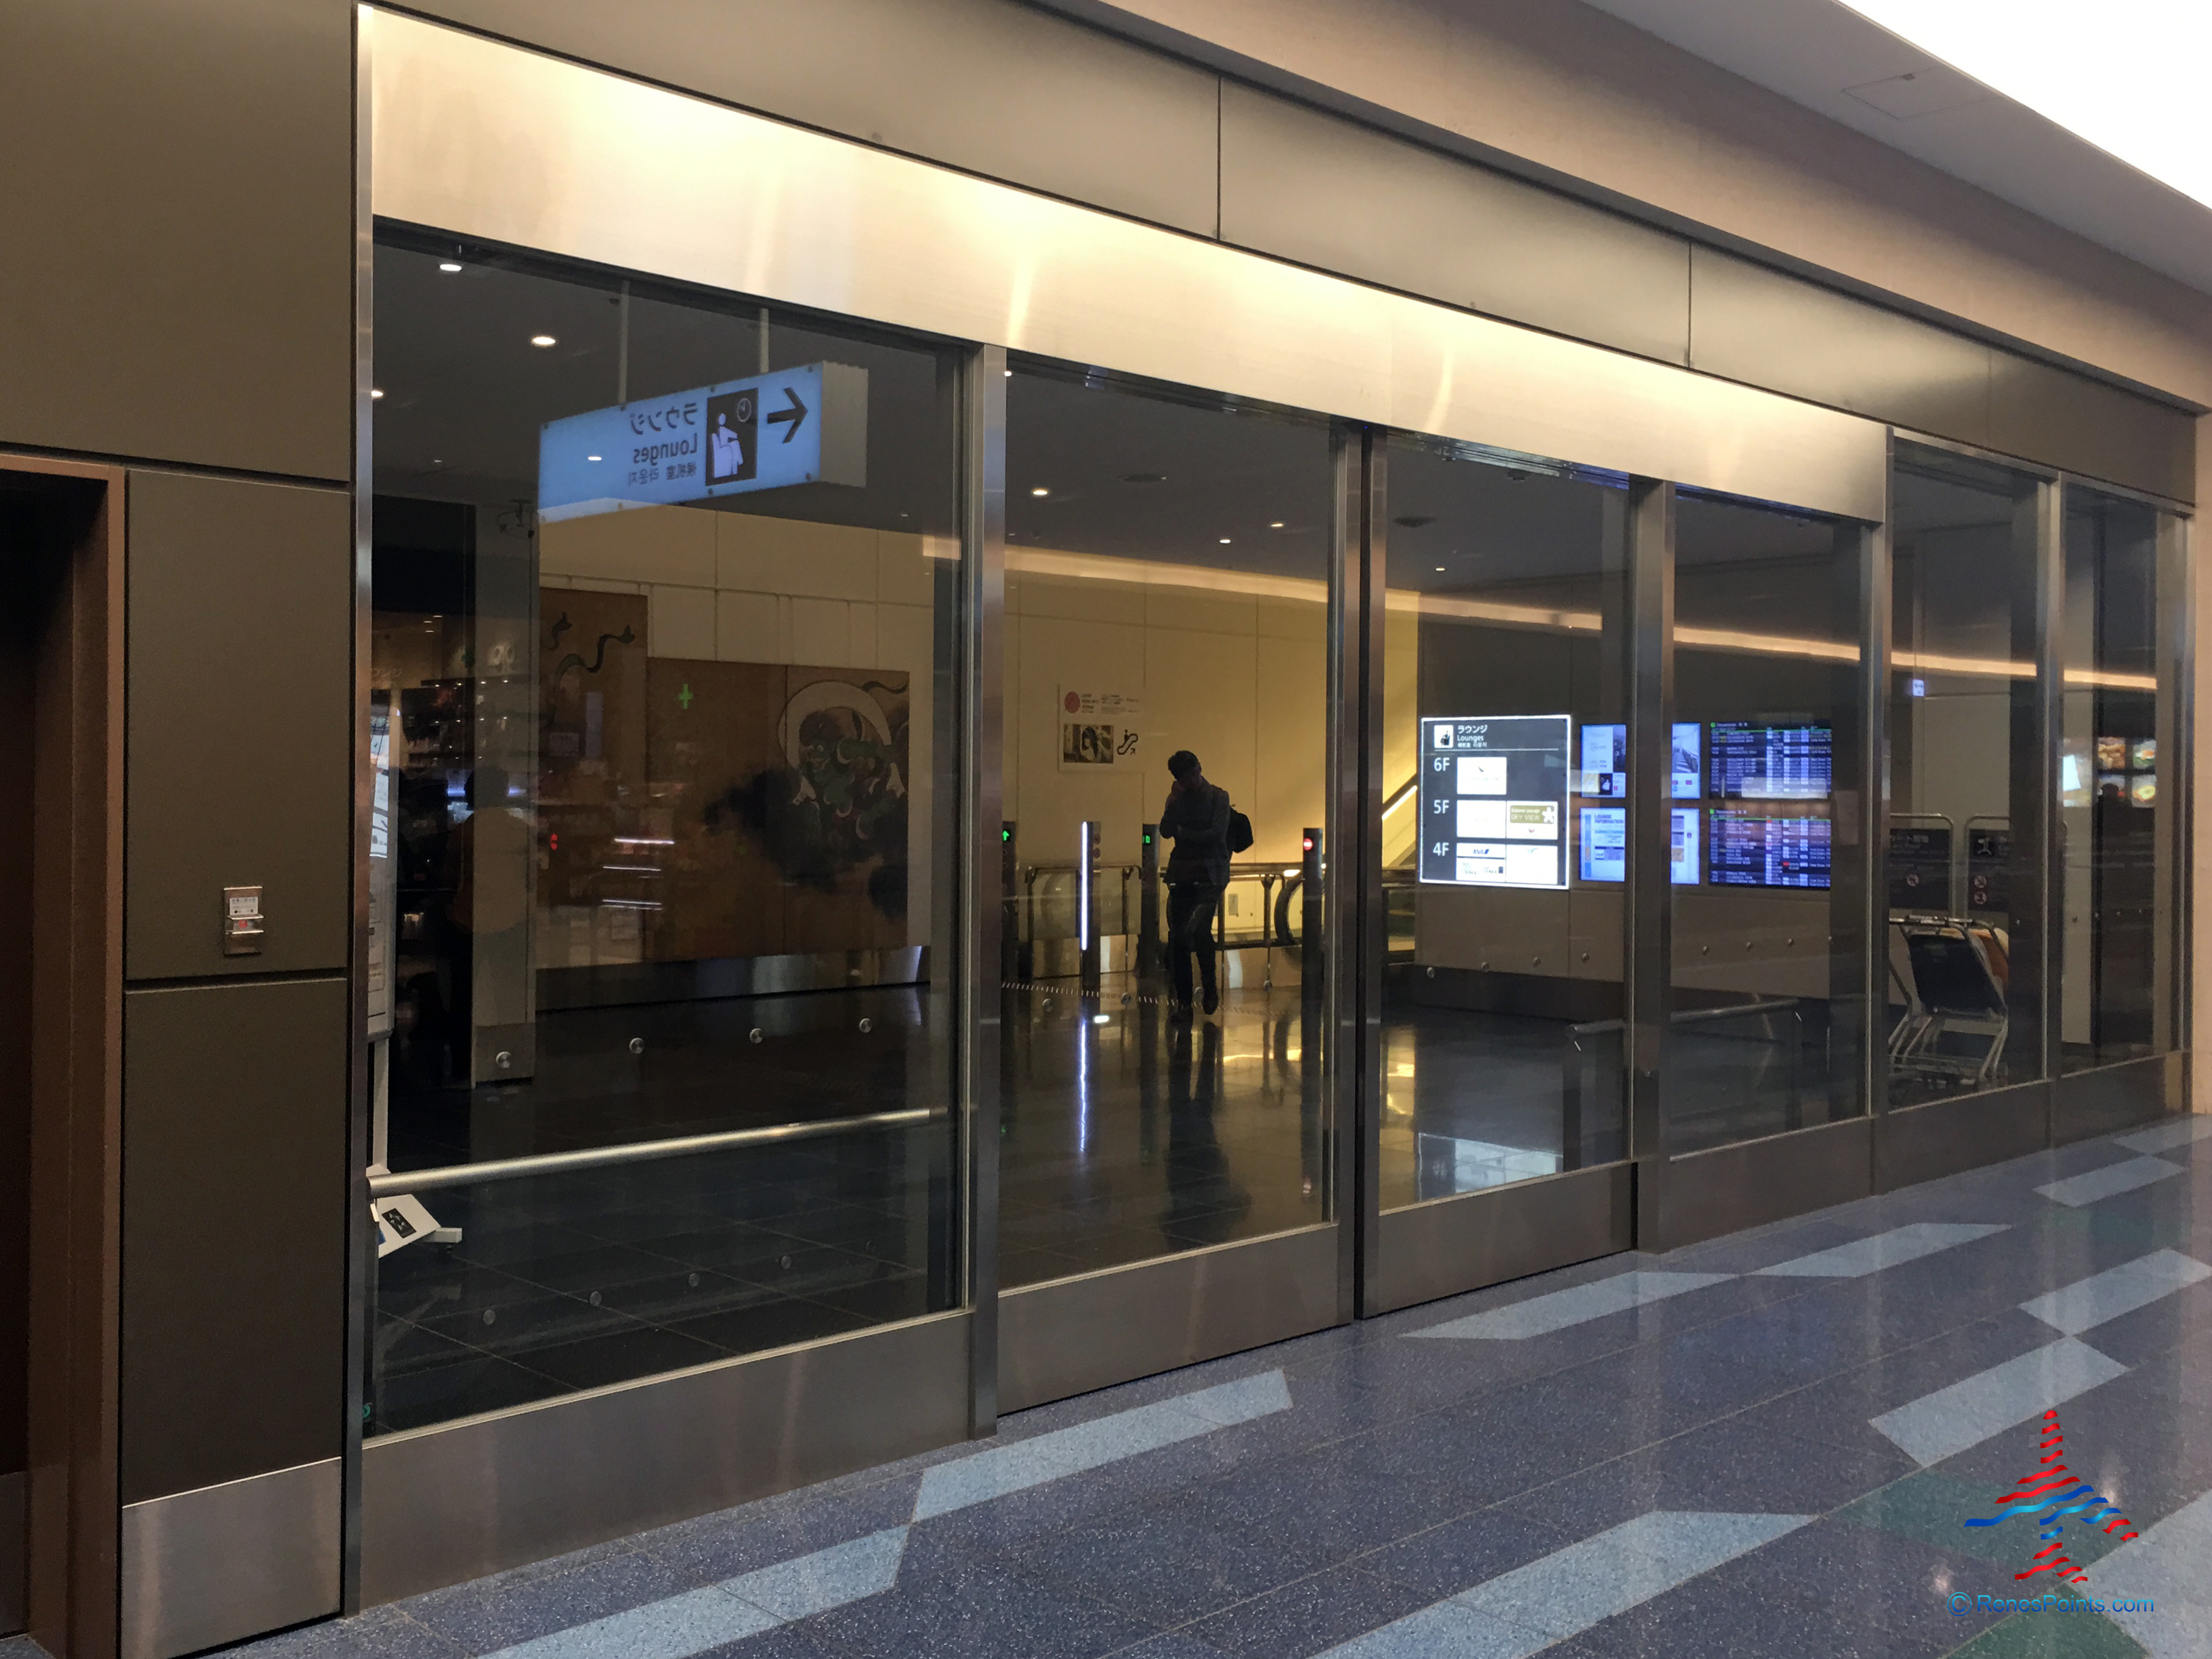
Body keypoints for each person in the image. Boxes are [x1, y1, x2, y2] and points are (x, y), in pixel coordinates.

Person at [1158, 749, 1232, 1019]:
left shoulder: (1218, 798)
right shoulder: (1178, 800)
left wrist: (1184, 833)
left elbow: (1216, 835)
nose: (1193, 780)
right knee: (1180, 937)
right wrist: (1173, 803)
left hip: (1208, 877)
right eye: (1187, 777)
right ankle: (1185, 1001)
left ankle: (1209, 990)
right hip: (1183, 875)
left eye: (1194, 773)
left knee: (1196, 932)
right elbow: (1165, 830)